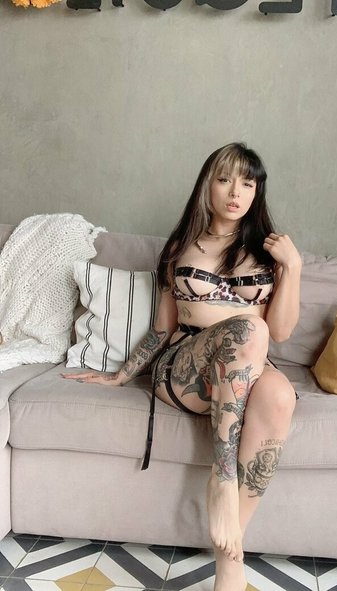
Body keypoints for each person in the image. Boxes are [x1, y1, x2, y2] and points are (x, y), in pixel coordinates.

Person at [63, 142, 302, 591]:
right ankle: (222, 477)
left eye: (247, 183)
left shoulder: (270, 253)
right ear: (207, 185)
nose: (236, 192)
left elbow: (282, 331)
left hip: (249, 369)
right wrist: (122, 374)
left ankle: (230, 557)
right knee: (249, 328)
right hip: (187, 364)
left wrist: (294, 267)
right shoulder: (181, 247)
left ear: (257, 192)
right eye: (225, 179)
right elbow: (162, 328)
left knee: (280, 394)